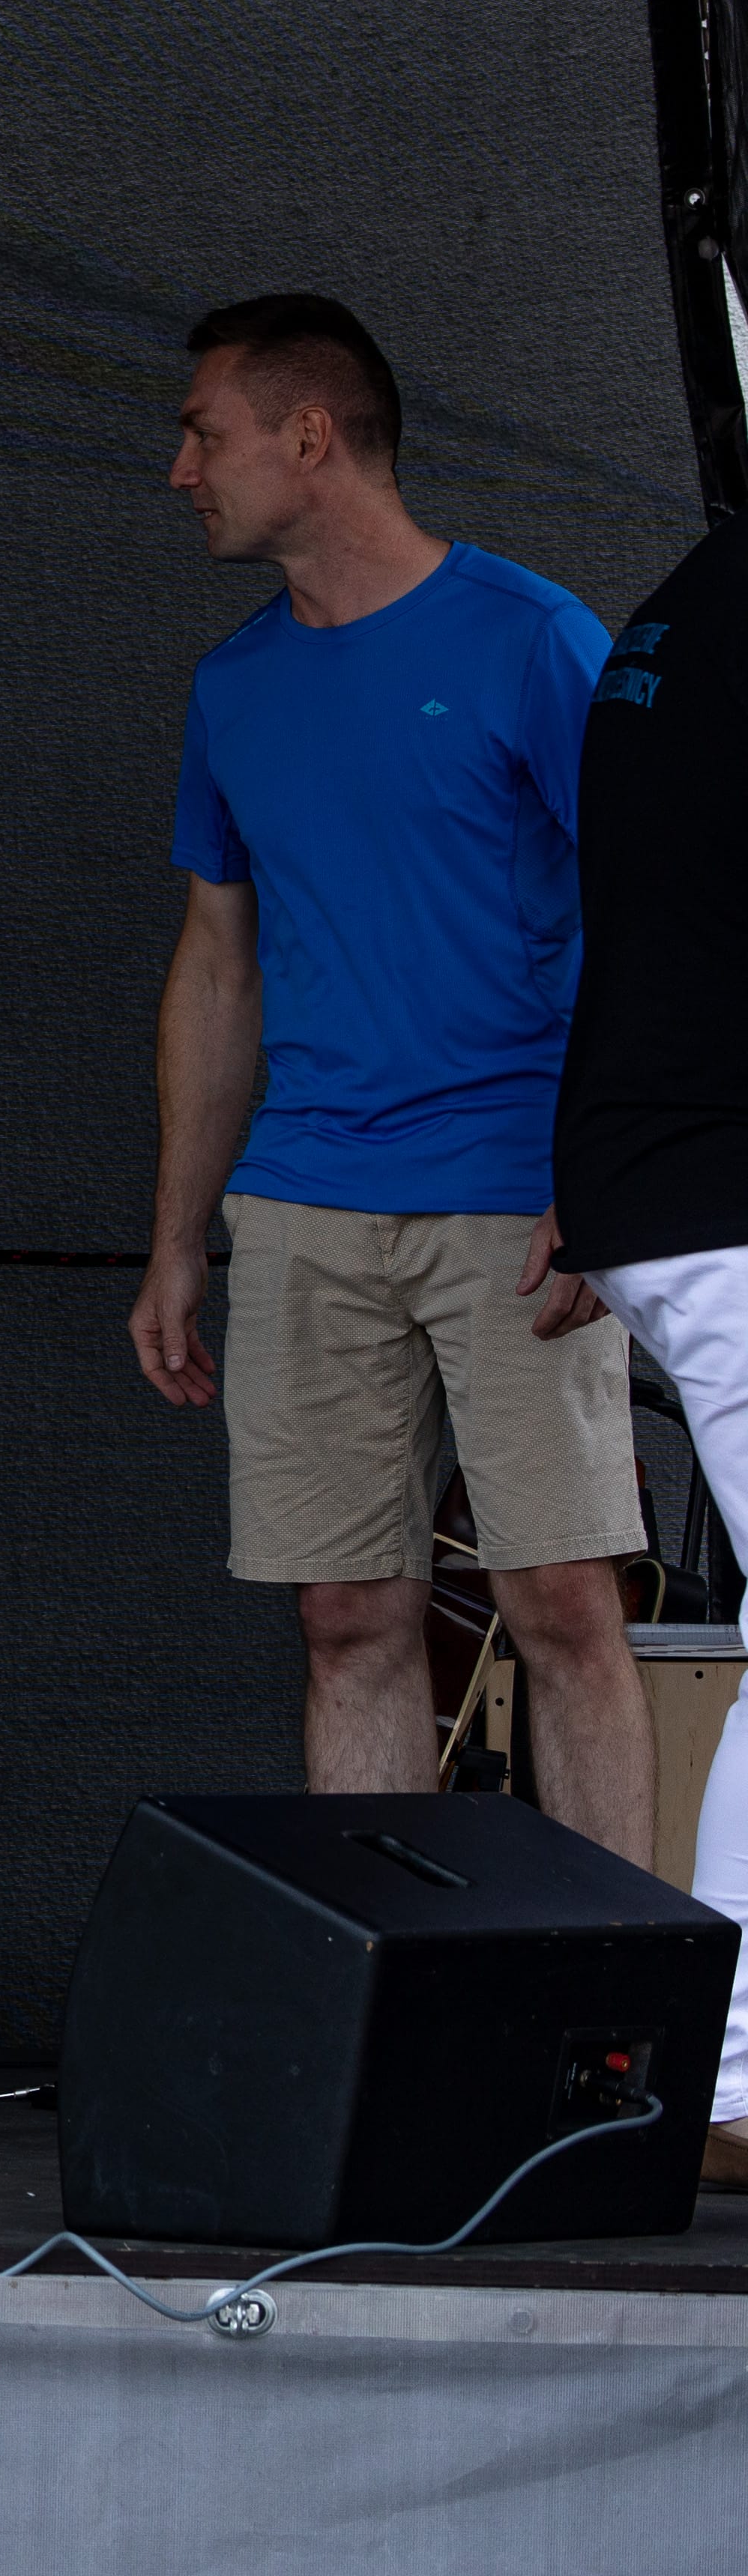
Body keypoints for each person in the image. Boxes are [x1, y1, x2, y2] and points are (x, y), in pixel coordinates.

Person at [128, 296, 646, 1866]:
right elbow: (218, 967)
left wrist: (603, 1174)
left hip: (514, 1193)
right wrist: (177, 1235)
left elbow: (653, 914)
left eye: (204, 433)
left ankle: (610, 1982)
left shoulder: (530, 636)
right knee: (347, 1616)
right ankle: (390, 1984)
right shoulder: (232, 686)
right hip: (305, 1200)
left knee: (562, 1603)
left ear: (310, 436)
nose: (181, 470)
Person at [543, 499, 748, 2193]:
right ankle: (731, 2074)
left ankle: (732, 2068)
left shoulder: (694, 601)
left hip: (677, 1170)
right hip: (717, 1179)